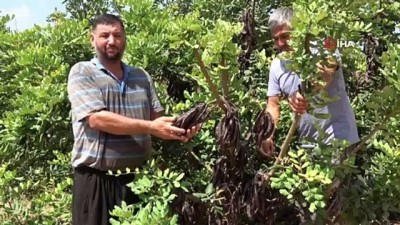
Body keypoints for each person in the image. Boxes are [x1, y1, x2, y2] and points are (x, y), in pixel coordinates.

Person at [67, 14, 199, 225]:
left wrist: (182, 129)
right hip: (96, 182)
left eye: (117, 35)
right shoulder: (83, 72)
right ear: (92, 39)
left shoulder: (141, 76)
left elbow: (157, 120)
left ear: (125, 38)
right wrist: (151, 127)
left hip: (138, 181)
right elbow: (97, 119)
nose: (112, 41)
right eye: (105, 35)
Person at [260, 7, 359, 157]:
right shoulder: (276, 65)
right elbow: (273, 104)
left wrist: (301, 94)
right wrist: (267, 135)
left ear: (298, 31)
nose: (280, 43)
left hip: (338, 139)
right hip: (307, 144)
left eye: (285, 36)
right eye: (275, 39)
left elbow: (325, 75)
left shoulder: (323, 46)